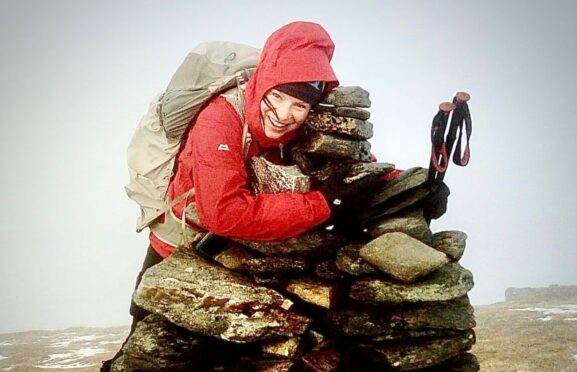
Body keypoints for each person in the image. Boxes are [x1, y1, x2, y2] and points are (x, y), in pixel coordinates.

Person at [101, 21, 340, 371]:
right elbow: (224, 213)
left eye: (299, 107)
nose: (285, 115)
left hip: (227, 246)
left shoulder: (305, 114)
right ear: (263, 84)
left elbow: (350, 157)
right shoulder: (220, 117)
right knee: (148, 340)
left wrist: (398, 182)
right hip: (178, 238)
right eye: (276, 97)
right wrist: (320, 204)